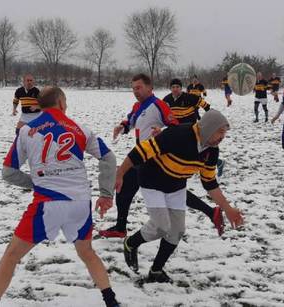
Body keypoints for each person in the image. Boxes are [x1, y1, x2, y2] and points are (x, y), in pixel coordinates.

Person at [0, 87, 120, 307]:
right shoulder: (80, 129)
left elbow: (8, 172)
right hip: (79, 205)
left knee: (11, 255)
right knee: (87, 252)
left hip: (47, 205)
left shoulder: (27, 131)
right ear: (60, 102)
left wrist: (35, 183)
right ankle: (111, 301)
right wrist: (105, 193)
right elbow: (108, 158)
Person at [118, 110, 244, 283]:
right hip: (152, 180)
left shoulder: (212, 151)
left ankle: (156, 271)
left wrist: (228, 209)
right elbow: (141, 151)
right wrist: (120, 173)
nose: (223, 137)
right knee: (162, 227)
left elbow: (209, 183)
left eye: (225, 133)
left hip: (176, 186)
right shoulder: (179, 134)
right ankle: (131, 243)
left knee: (176, 231)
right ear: (208, 128)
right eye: (220, 132)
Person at [99, 74, 178, 238]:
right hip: (140, 158)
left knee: (172, 191)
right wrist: (121, 126)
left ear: (150, 87)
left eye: (139, 87)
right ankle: (120, 228)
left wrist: (161, 131)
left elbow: (175, 128)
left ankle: (209, 211)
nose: (136, 91)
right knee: (123, 189)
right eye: (133, 88)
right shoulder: (137, 106)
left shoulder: (160, 105)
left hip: (156, 159)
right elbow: (131, 121)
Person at [163, 78, 225, 235]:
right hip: (178, 138)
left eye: (178, 87)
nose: (175, 89)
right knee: (175, 183)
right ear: (170, 89)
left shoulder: (190, 97)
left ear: (181, 88)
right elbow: (163, 116)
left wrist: (207, 125)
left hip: (194, 135)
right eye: (173, 87)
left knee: (175, 184)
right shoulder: (167, 100)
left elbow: (208, 109)